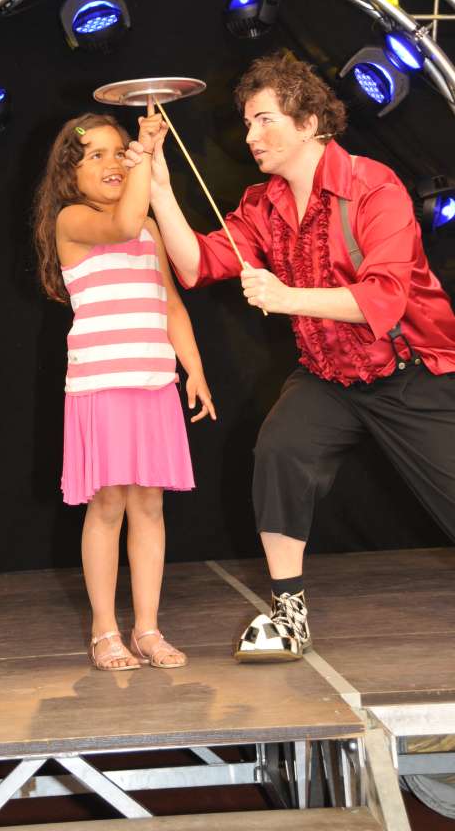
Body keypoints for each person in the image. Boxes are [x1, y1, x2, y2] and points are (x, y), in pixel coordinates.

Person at [125, 50, 455, 662]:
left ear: (309, 123)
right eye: (247, 122)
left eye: (265, 120)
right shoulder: (264, 204)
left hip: (409, 370)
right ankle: (288, 615)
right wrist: (162, 190)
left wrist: (285, 296)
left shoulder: (374, 187)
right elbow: (197, 265)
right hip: (329, 376)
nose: (251, 136)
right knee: (280, 449)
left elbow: (384, 299)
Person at [33, 106, 216, 671]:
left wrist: (194, 369)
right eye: (97, 155)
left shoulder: (149, 229)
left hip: (152, 382)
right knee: (108, 502)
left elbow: (171, 304)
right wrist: (144, 152)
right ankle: (104, 630)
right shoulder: (73, 220)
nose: (113, 162)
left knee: (149, 505)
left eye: (119, 152)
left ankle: (148, 629)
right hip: (102, 384)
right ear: (70, 174)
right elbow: (121, 223)